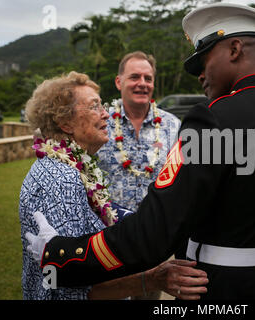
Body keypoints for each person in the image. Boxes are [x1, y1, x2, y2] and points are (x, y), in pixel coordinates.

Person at [25, 3, 255, 299]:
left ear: (234, 50)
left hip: (225, 288)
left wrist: (61, 255)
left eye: (204, 61)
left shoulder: (215, 120)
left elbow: (154, 233)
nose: (201, 75)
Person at [20, 71, 208, 300]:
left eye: (103, 105)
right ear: (65, 122)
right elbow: (65, 286)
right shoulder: (62, 179)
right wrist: (152, 279)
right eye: (94, 107)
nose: (106, 115)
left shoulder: (75, 168)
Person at [96, 51, 181, 299]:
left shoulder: (172, 125)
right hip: (108, 240)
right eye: (135, 77)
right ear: (118, 82)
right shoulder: (99, 123)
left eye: (148, 78)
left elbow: (181, 181)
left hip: (153, 242)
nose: (142, 83)